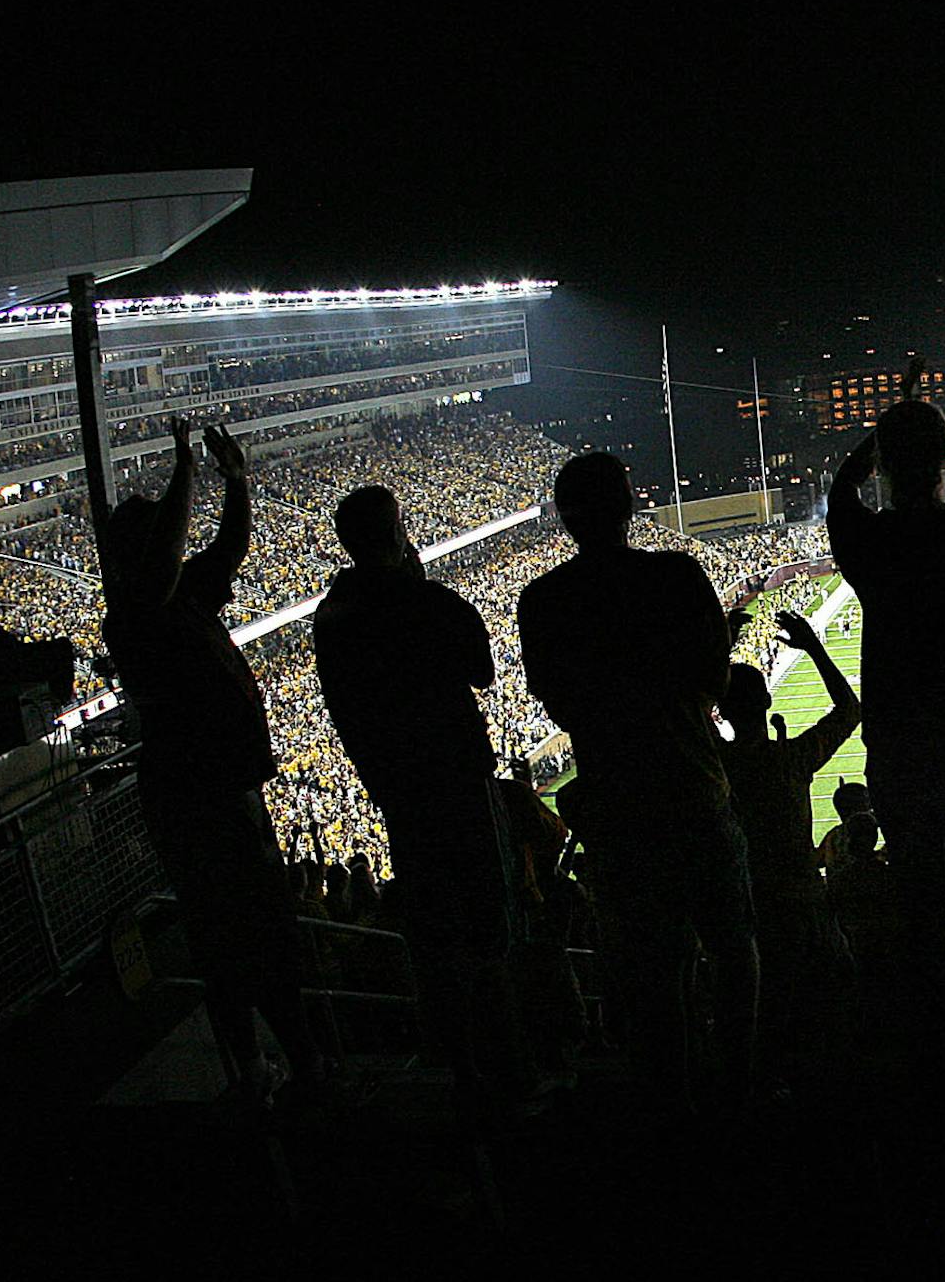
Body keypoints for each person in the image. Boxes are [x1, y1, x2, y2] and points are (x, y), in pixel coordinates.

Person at [517, 452, 758, 1118]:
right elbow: (715, 679)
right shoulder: (676, 576)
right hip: (692, 788)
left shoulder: (542, 601)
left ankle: (673, 1099)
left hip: (618, 808)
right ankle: (739, 1081)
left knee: (656, 971)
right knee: (734, 944)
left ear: (565, 517)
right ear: (629, 506)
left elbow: (560, 703)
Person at [100, 418, 330, 1110]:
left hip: (229, 789)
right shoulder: (132, 616)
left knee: (265, 935)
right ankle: (262, 1068)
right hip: (197, 800)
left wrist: (237, 481)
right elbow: (164, 564)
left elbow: (229, 550)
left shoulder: (184, 597)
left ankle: (297, 1061)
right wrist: (184, 474)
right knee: (235, 942)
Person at [826, 329, 945, 1067]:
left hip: (902, 747)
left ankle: (925, 1049)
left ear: (885, 462)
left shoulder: (868, 544)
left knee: (920, 905)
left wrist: (897, 411)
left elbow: (839, 492)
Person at [314, 484, 531, 1119]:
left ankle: (464, 1077)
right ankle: (512, 1078)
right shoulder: (422, 599)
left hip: (398, 796)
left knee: (436, 941)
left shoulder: (333, 616)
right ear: (400, 532)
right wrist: (421, 583)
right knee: (490, 935)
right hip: (457, 783)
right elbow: (482, 668)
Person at [716, 609, 860, 1082]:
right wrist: (814, 648)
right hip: (801, 901)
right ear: (767, 701)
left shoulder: (717, 767)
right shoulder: (791, 760)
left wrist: (717, 650)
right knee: (828, 1006)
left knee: (762, 1011)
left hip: (747, 902)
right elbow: (848, 710)